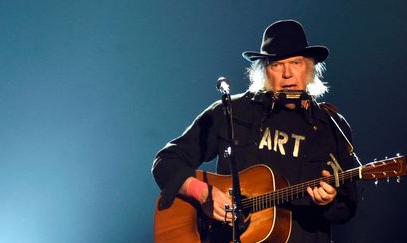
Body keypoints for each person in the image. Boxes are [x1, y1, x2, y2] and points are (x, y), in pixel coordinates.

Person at [152, 19, 358, 243]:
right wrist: (203, 194)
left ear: (310, 68)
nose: (287, 74)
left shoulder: (332, 126)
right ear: (264, 70)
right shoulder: (231, 111)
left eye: (296, 63)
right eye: (277, 65)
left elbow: (348, 207)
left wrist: (328, 202)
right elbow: (166, 162)